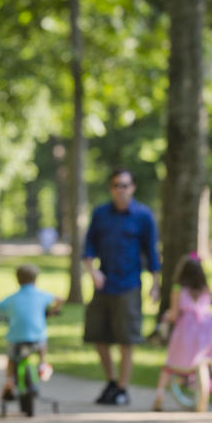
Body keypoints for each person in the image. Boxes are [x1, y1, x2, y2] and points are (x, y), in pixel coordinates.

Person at [82, 169, 161, 406]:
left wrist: (156, 284)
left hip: (129, 285)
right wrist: (92, 271)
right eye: (117, 185)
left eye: (125, 185)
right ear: (111, 188)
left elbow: (152, 253)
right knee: (98, 336)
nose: (121, 190)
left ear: (133, 187)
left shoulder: (143, 216)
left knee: (127, 339)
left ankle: (123, 388)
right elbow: (87, 248)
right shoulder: (100, 214)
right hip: (104, 285)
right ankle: (111, 382)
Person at [152, 254, 212, 412]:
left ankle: (159, 394)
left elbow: (174, 314)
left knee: (171, 363)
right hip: (207, 327)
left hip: (187, 329)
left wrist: (166, 316)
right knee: (206, 357)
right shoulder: (204, 289)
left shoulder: (178, 289)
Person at [0, 264, 61, 402]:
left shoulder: (12, 298)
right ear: (35, 279)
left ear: (18, 279)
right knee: (42, 344)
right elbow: (59, 299)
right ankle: (42, 364)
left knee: (11, 359)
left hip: (16, 338)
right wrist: (53, 311)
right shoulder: (42, 295)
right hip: (36, 339)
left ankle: (9, 381)